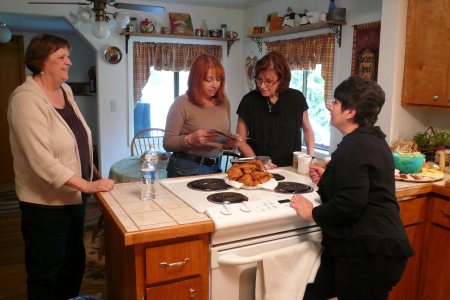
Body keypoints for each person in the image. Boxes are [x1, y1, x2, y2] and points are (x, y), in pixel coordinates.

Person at [7, 34, 114, 300]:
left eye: (67, 55)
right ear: (42, 62)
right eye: (62, 57)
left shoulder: (64, 91)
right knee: (46, 271)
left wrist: (91, 174)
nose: (69, 61)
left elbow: (76, 138)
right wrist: (88, 185)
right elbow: (40, 160)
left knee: (73, 263)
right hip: (45, 206)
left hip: (73, 198)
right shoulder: (25, 99)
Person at [290, 76, 415, 300]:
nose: (330, 106)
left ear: (350, 112)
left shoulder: (353, 146)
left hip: (370, 252)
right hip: (368, 247)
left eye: (336, 101)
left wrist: (312, 213)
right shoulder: (372, 140)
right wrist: (330, 176)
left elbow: (349, 205)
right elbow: (364, 184)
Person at [163, 54, 240, 177]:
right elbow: (167, 143)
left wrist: (231, 143)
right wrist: (190, 139)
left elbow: (225, 137)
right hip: (186, 167)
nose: (215, 85)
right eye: (209, 80)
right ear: (196, 79)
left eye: (218, 79)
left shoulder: (224, 102)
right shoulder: (181, 103)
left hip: (216, 167)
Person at [236, 50, 315, 169]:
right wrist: (259, 162)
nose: (262, 86)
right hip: (257, 168)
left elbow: (308, 130)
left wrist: (311, 156)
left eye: (269, 81)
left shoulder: (296, 98)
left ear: (281, 79)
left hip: (290, 168)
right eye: (259, 79)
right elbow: (240, 141)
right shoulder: (249, 101)